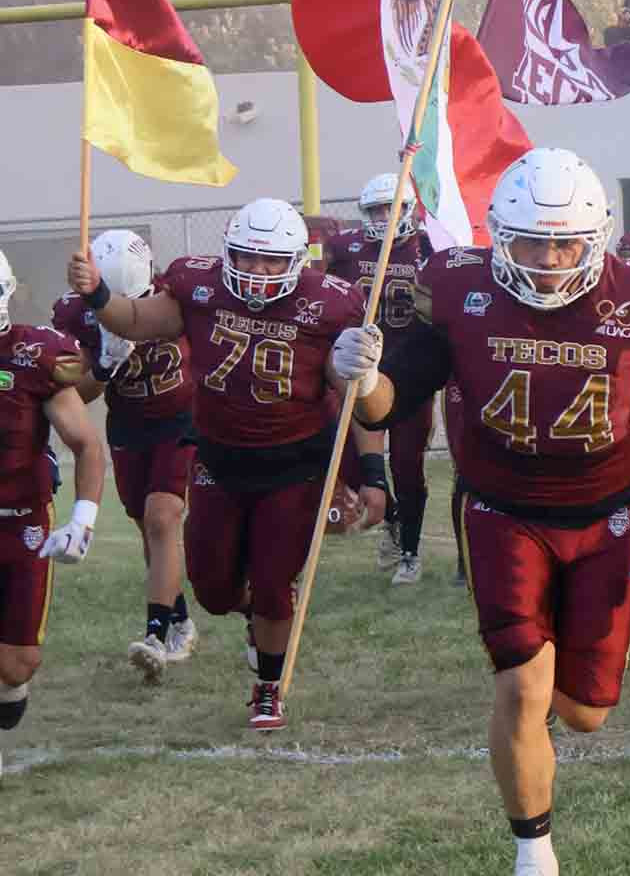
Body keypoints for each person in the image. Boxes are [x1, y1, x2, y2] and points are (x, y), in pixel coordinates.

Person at [330, 147, 630, 876]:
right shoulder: (457, 288)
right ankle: (532, 850)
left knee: (585, 713)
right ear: (497, 235)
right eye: (531, 240)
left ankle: (543, 712)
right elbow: (396, 402)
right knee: (519, 683)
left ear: (596, 236)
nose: (548, 257)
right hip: (501, 511)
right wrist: (362, 377)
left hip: (605, 513)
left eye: (565, 240)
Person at [67, 198, 374, 731]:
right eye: (247, 258)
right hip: (217, 456)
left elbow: (360, 400)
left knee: (276, 581)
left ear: (297, 260)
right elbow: (137, 320)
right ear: (227, 253)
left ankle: (268, 687)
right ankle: (258, 611)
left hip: (292, 461)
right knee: (212, 590)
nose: (258, 271)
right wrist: (97, 292)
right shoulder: (199, 285)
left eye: (272, 261)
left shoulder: (332, 303)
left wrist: (369, 432)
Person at [52, 230, 199, 681]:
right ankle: (180, 619)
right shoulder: (75, 313)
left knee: (162, 518)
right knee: (147, 530)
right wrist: (104, 364)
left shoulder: (176, 298)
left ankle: (155, 634)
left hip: (183, 418)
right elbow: (78, 394)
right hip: (130, 425)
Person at [0, 246, 105, 779]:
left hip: (21, 520)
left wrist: (83, 518)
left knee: (18, 663)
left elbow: (86, 444)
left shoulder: (32, 356)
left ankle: (9, 691)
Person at [322, 174, 435, 584]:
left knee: (407, 466)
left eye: (391, 208)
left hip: (408, 375)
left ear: (409, 210)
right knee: (354, 467)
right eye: (375, 210)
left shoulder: (427, 248)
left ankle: (409, 551)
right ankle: (393, 517)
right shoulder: (346, 247)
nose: (383, 217)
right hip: (357, 370)